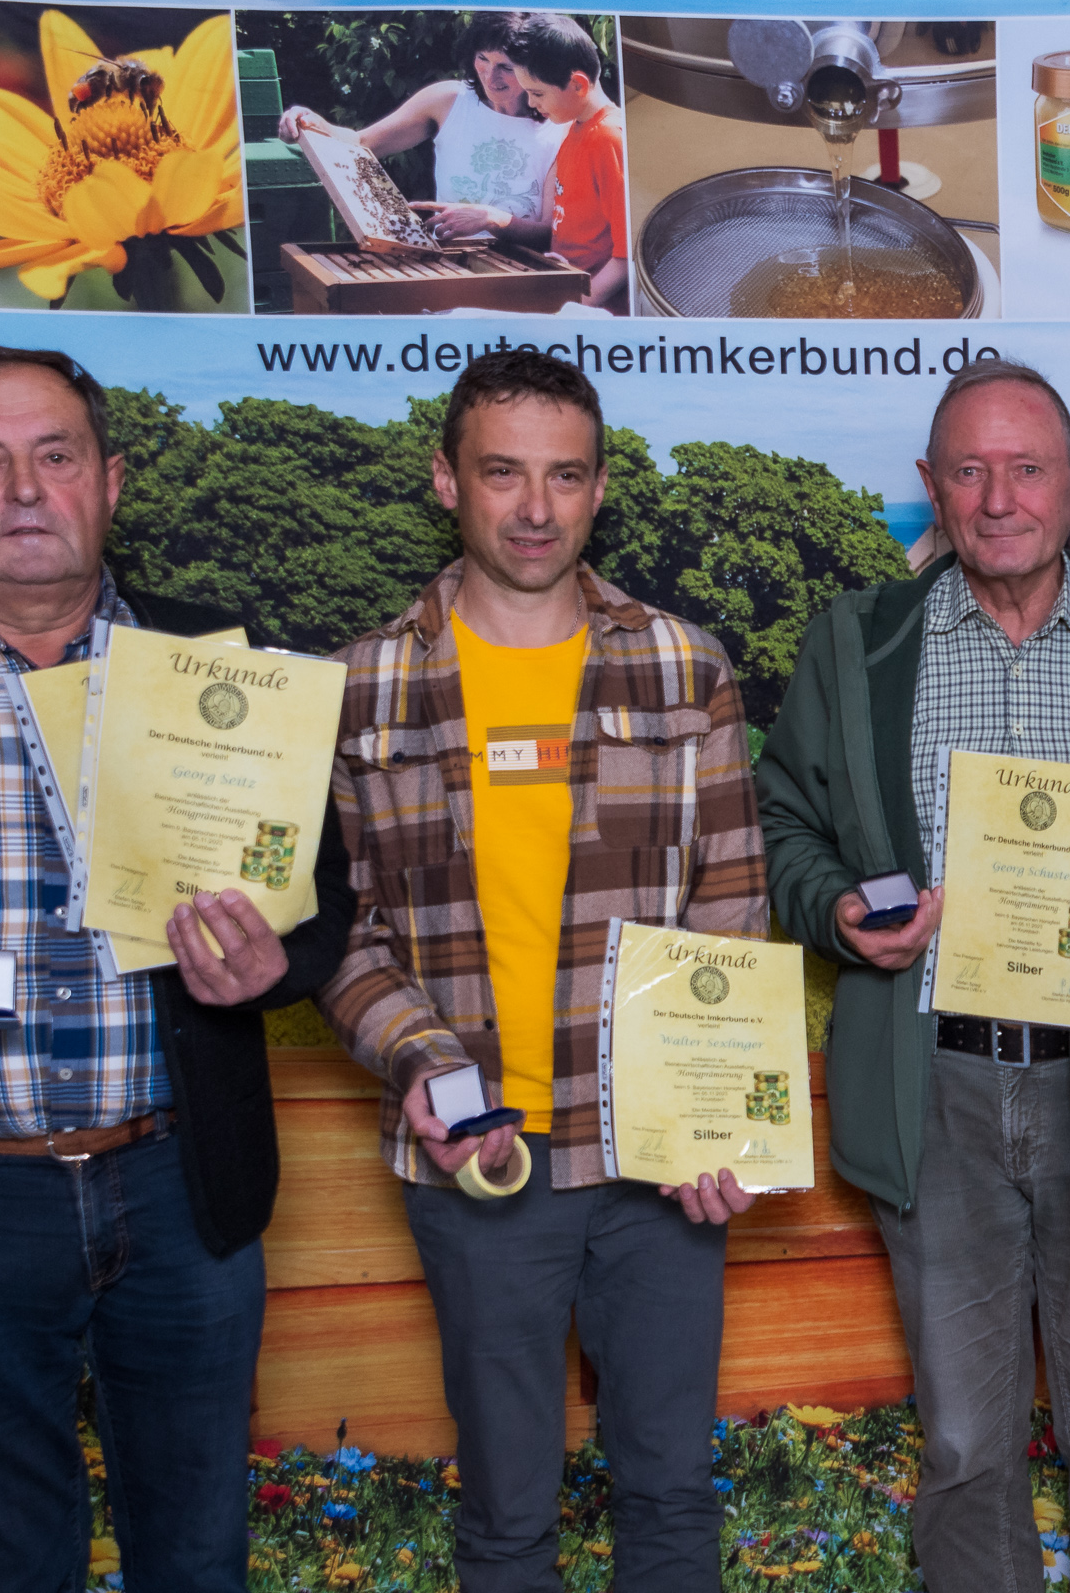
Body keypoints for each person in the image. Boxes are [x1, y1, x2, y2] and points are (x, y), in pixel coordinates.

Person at [0, 345, 355, 1591]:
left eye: (54, 455)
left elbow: (325, 901)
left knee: (197, 1551)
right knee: (15, 1557)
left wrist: (273, 964)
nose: (23, 490)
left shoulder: (222, 660)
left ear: (109, 481)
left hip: (180, 1186)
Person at [756, 358, 1070, 1593]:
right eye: (970, 470)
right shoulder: (855, 642)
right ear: (932, 486)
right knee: (965, 1444)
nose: (1000, 497)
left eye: (1029, 468)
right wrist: (837, 912)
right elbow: (783, 822)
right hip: (936, 1090)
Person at [320, 349, 765, 1591]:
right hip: (481, 1163)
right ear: (446, 480)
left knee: (669, 1490)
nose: (534, 507)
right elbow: (342, 933)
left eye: (564, 476)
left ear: (598, 488)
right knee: (507, 1510)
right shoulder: (363, 685)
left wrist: (712, 1119)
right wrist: (421, 1061)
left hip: (654, 1168)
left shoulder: (685, 667)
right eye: (502, 472)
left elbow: (731, 911)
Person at [277, 10, 568, 244]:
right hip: (446, 266)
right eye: (483, 59)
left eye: (506, 67)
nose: (491, 77)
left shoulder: (559, 126)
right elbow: (360, 143)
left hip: (524, 276)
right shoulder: (448, 100)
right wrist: (314, 124)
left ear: (534, 68)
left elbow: (550, 233)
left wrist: (495, 220)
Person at [507, 15, 628, 314]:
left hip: (594, 313)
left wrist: (570, 308)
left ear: (577, 85)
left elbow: (628, 258)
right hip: (569, 294)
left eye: (537, 93)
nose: (531, 103)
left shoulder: (609, 137)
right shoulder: (575, 127)